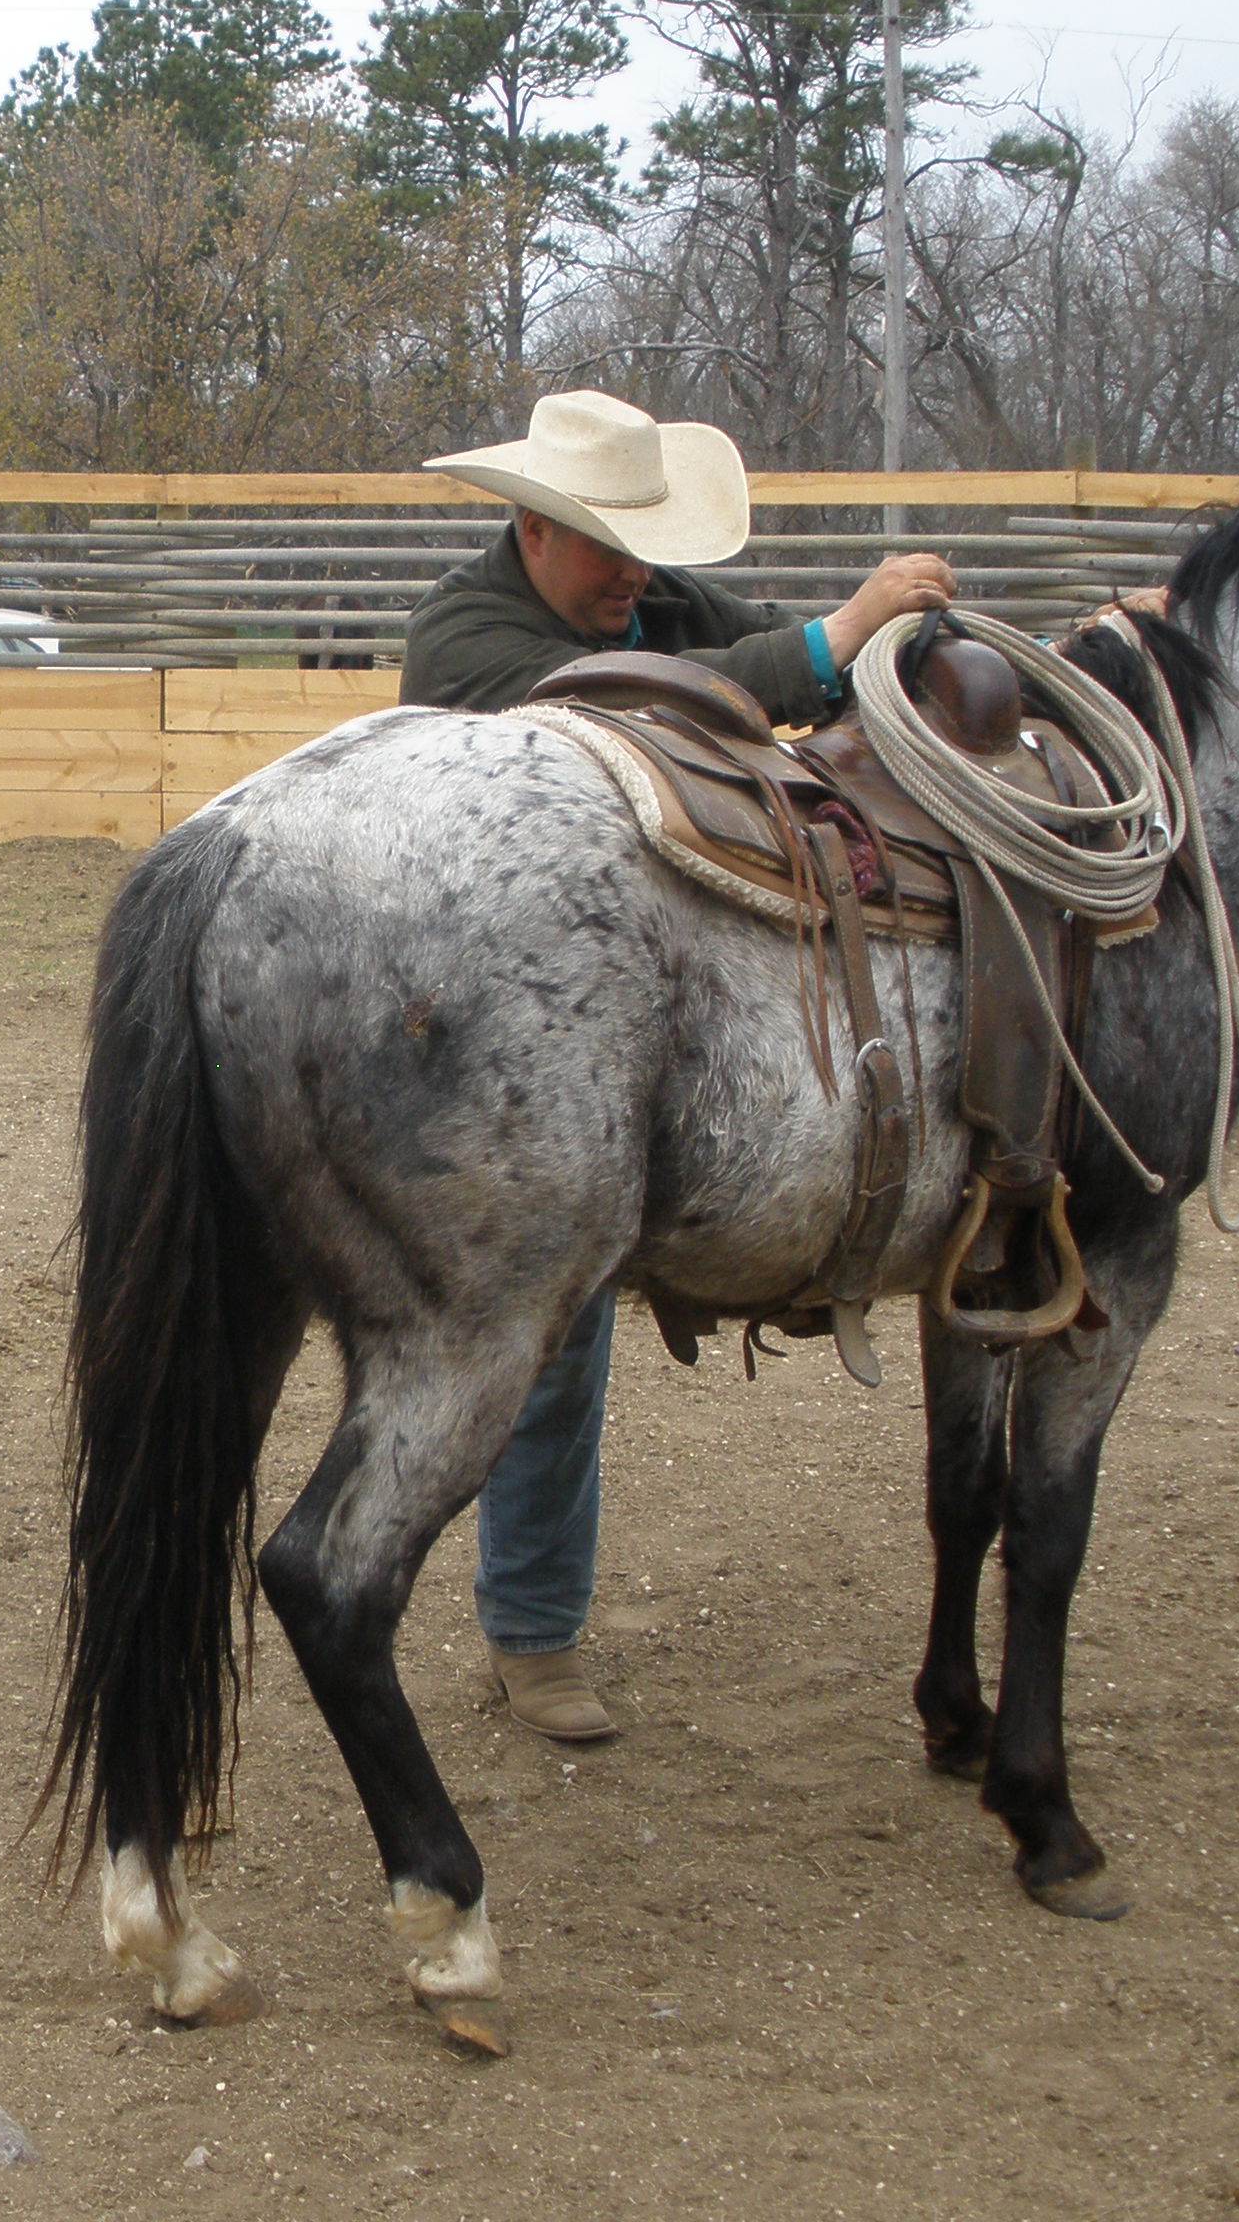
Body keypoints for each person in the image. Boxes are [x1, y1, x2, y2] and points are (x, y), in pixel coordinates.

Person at [400, 391, 955, 1742]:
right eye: (609, 545)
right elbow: (638, 708)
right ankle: (529, 1630)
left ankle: (531, 1628)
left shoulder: (651, 599)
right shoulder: (463, 639)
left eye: (644, 546)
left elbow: (761, 654)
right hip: (496, 1018)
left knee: (561, 1329)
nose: (634, 572)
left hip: (631, 998)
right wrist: (836, 634)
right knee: (540, 1335)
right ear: (536, 532)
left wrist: (879, 647)